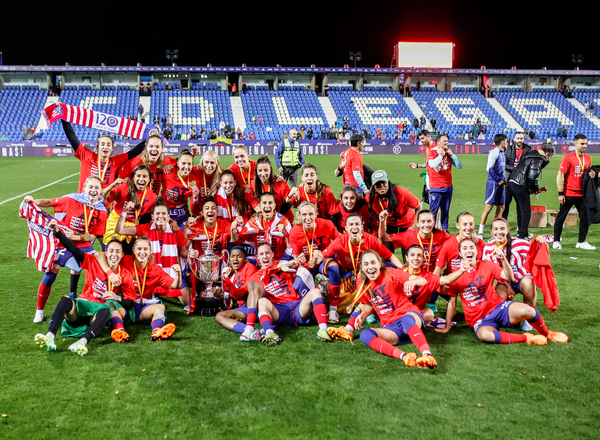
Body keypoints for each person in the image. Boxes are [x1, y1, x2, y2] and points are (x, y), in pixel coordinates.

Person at [437, 238, 568, 346]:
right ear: (460, 254)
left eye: (471, 247)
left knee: (529, 310)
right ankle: (527, 338)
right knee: (484, 335)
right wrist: (447, 326)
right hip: (479, 319)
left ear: (476, 251)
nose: (469, 250)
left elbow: (508, 276)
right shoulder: (455, 275)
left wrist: (504, 259)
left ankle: (547, 334)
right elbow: (452, 303)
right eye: (465, 248)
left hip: (498, 308)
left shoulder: (486, 265)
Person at [35, 224, 136, 355]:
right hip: (82, 306)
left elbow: (129, 303)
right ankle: (49, 336)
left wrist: (116, 297)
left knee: (106, 311)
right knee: (65, 300)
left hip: (96, 315)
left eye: (117, 251)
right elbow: (74, 250)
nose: (114, 254)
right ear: (106, 252)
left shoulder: (125, 274)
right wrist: (58, 233)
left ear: (122, 254)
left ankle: (82, 342)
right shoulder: (93, 261)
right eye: (111, 251)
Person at [25, 176, 108, 323]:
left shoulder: (102, 210)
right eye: (90, 187)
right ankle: (39, 311)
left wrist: (76, 237)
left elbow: (93, 235)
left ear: (101, 190)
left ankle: (90, 302)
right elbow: (49, 202)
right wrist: (32, 201)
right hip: (62, 240)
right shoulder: (71, 199)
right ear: (84, 188)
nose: (93, 190)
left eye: (97, 187)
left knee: (96, 267)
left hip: (82, 243)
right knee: (52, 271)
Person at [344, 250, 437, 369]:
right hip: (391, 328)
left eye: (373, 263)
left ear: (379, 264)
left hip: (407, 315)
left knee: (407, 320)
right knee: (365, 334)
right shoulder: (361, 282)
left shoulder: (391, 273)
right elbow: (370, 304)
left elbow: (423, 280)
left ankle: (427, 355)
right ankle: (404, 356)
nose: (370, 267)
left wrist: (413, 281)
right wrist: (363, 315)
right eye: (366, 264)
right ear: (361, 267)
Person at [96, 237, 182, 341]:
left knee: (160, 307)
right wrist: (110, 273)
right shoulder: (125, 260)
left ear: (150, 251)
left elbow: (175, 285)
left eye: (145, 249)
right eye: (139, 249)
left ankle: (157, 332)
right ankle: (120, 331)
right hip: (125, 305)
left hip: (143, 307)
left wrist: (179, 274)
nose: (142, 252)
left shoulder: (156, 270)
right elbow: (99, 255)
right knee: (111, 305)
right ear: (133, 250)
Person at [248, 243, 332, 346]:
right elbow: (247, 294)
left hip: (297, 306)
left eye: (267, 253)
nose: (265, 256)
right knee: (262, 301)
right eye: (261, 254)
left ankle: (323, 330)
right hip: (277, 309)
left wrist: (299, 263)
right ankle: (269, 333)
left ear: (272, 254)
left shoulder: (285, 265)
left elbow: (305, 271)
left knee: (315, 292)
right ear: (257, 257)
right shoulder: (255, 277)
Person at [320, 214, 403, 312]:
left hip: (364, 272)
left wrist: (403, 270)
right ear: (346, 228)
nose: (354, 227)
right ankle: (327, 293)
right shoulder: (340, 241)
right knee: (340, 304)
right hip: (345, 273)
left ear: (362, 226)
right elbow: (322, 256)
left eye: (357, 224)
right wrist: (314, 260)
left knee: (388, 268)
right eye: (351, 224)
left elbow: (390, 255)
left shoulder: (370, 240)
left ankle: (387, 299)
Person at [116, 197, 189, 303]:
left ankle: (163, 291)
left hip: (171, 273)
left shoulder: (176, 231)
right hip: (151, 275)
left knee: (187, 301)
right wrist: (125, 212)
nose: (160, 216)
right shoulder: (145, 228)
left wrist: (192, 254)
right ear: (152, 216)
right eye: (157, 214)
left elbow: (182, 251)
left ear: (168, 216)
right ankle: (155, 292)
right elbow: (120, 230)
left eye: (163, 214)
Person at [289, 202, 342, 323]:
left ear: (316, 214)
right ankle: (321, 287)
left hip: (324, 260)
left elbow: (339, 242)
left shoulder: (327, 224)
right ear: (299, 216)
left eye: (311, 214)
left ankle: (333, 309)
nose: (308, 218)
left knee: (334, 269)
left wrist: (324, 254)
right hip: (307, 265)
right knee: (300, 296)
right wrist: (300, 260)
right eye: (304, 215)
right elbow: (296, 258)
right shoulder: (294, 232)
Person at [61, 120, 145, 192]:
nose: (105, 147)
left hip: (104, 204)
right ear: (98, 147)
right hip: (84, 203)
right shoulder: (87, 156)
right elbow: (72, 138)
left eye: (108, 145)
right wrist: (64, 118)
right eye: (102, 144)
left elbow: (134, 151)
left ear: (112, 148)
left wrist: (150, 138)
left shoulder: (115, 161)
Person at [552, 134, 596, 250]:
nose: (584, 146)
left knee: (585, 218)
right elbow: (561, 176)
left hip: (582, 195)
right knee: (561, 218)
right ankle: (556, 241)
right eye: (582, 144)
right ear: (575, 144)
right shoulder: (567, 158)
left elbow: (586, 176)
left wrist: (592, 175)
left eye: (586, 144)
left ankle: (581, 242)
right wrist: (561, 193)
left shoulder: (588, 158)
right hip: (569, 194)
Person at [102, 164, 157, 250]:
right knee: (111, 251)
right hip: (115, 222)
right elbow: (103, 196)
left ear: (149, 179)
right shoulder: (124, 187)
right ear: (133, 177)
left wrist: (171, 221)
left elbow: (158, 213)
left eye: (145, 176)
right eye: (138, 176)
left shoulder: (152, 197)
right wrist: (113, 185)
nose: (141, 179)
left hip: (132, 227)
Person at [507, 144, 554, 240]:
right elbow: (532, 177)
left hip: (512, 181)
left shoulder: (530, 154)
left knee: (520, 209)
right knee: (526, 211)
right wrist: (536, 189)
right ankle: (523, 235)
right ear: (548, 154)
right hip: (520, 184)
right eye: (550, 157)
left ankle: (521, 232)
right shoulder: (538, 159)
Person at [380, 210, 452, 273]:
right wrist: (382, 222)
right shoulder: (409, 236)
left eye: (429, 221)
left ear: (434, 223)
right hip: (413, 277)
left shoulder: (442, 236)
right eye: (423, 222)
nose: (426, 225)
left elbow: (456, 240)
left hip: (432, 277)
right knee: (387, 265)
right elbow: (384, 237)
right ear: (417, 223)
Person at [214, 246, 259, 334]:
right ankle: (252, 332)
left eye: (239, 256)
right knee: (219, 316)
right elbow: (237, 295)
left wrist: (224, 291)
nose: (235, 259)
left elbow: (244, 294)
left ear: (245, 260)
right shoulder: (234, 276)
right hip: (244, 308)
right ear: (229, 261)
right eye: (233, 256)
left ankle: (250, 330)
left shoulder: (249, 267)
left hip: (254, 306)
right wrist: (220, 293)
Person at [237, 192, 292, 261]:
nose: (267, 206)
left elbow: (292, 245)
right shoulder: (254, 221)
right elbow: (239, 241)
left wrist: (285, 233)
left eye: (270, 203)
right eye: (264, 203)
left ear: (274, 205)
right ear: (260, 205)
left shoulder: (283, 221)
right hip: (259, 259)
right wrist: (233, 230)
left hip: (279, 260)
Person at [366, 169, 420, 236]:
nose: (381, 186)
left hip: (407, 222)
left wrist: (415, 225)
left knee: (408, 242)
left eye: (384, 182)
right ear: (373, 186)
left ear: (388, 182)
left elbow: (418, 206)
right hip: (390, 224)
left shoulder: (402, 193)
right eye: (378, 184)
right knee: (387, 242)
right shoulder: (370, 198)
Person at [427, 134, 463, 231]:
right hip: (436, 187)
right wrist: (440, 155)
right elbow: (432, 164)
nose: (447, 142)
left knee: (445, 211)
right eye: (444, 141)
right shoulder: (432, 152)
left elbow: (459, 166)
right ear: (438, 142)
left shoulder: (448, 153)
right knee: (433, 212)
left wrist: (452, 155)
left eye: (447, 141)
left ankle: (445, 231)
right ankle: (431, 231)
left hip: (448, 187)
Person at [160, 149, 200, 229]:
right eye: (183, 163)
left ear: (192, 165)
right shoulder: (167, 173)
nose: (186, 167)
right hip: (165, 214)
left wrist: (195, 198)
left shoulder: (195, 181)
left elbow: (193, 208)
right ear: (178, 163)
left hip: (183, 216)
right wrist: (167, 165)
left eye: (189, 164)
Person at [477, 134, 508, 239]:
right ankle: (480, 232)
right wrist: (498, 180)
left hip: (501, 184)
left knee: (501, 207)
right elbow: (489, 168)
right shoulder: (494, 153)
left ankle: (495, 232)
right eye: (506, 141)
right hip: (494, 183)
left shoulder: (502, 153)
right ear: (502, 142)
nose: (507, 143)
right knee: (488, 207)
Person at [502, 132, 531, 231]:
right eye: (518, 138)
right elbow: (504, 164)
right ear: (514, 139)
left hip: (521, 181)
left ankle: (520, 227)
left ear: (524, 139)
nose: (520, 140)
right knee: (506, 204)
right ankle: (503, 225)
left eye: (521, 138)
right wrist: (515, 169)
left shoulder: (527, 150)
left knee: (520, 205)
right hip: (509, 180)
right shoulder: (509, 149)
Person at [252, 156, 294, 222]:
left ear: (270, 170)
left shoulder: (280, 183)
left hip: (284, 220)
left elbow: (289, 203)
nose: (263, 174)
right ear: (256, 172)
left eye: (266, 170)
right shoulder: (253, 184)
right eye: (260, 170)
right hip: (266, 222)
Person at [190, 149, 222, 216]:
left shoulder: (222, 175)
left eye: (212, 163)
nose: (209, 166)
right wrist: (191, 155)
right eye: (206, 162)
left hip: (216, 215)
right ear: (202, 162)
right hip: (198, 214)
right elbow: (181, 165)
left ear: (217, 164)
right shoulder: (195, 171)